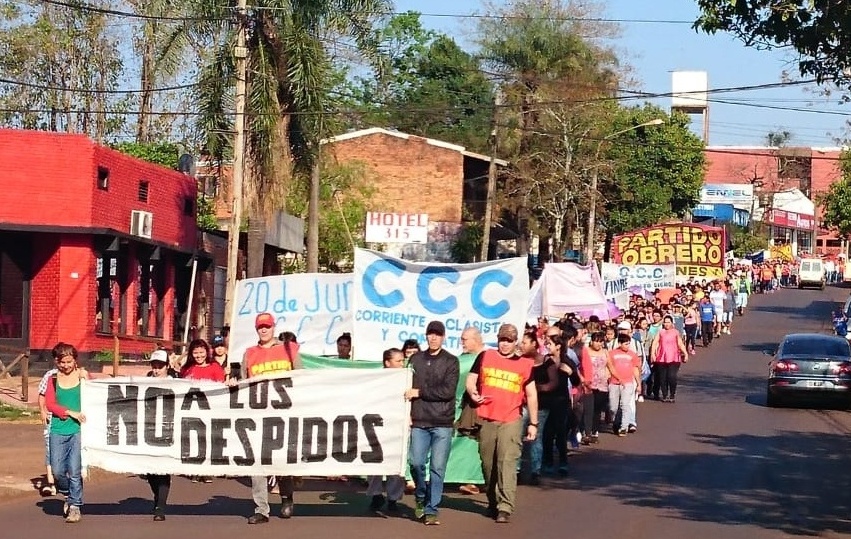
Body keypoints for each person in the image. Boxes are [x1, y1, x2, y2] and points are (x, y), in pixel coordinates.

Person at [466, 324, 537, 524]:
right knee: (488, 464)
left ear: (515, 342)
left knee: (507, 462)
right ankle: (493, 500)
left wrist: (533, 423)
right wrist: (473, 393)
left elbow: (531, 395)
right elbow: (471, 380)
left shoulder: (525, 364)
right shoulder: (485, 356)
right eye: (502, 340)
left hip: (511, 419)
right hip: (487, 417)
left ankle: (505, 506)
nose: (505, 344)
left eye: (509, 341)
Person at [241, 312, 303, 524]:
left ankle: (287, 497)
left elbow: (303, 379)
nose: (264, 330)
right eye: (260, 327)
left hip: (284, 416)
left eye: (267, 326)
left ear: (273, 327)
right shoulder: (249, 353)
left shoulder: (289, 349)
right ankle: (261, 509)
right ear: (256, 330)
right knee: (257, 464)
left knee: (282, 462)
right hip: (258, 416)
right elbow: (243, 385)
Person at [404, 320, 459, 526]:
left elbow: (448, 392)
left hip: (442, 422)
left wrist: (419, 392)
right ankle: (420, 495)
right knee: (416, 462)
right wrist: (407, 412)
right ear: (426, 336)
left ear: (443, 337)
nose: (433, 337)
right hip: (419, 421)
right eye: (430, 334)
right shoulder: (416, 359)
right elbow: (405, 386)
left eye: (437, 334)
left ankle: (431, 509)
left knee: (437, 468)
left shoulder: (451, 361)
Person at [43, 342, 88, 523]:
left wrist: (87, 378)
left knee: (74, 470)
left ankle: (75, 506)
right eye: (62, 362)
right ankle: (69, 494)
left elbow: (94, 395)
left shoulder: (83, 376)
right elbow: (50, 404)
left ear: (75, 360)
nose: (66, 365)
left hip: (78, 430)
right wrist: (70, 412)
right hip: (58, 429)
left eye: (69, 361)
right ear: (56, 361)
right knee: (57, 470)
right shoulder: (53, 379)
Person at [367, 348, 407, 514]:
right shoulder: (376, 379)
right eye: (398, 361)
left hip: (398, 424)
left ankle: (393, 499)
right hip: (377, 424)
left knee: (396, 461)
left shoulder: (407, 378)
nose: (402, 364)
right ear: (387, 363)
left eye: (403, 361)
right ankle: (376, 494)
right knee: (373, 460)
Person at [145, 350, 174, 521]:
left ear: (167, 366)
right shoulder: (145, 382)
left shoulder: (176, 383)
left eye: (160, 366)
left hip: (168, 430)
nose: (156, 370)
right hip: (149, 430)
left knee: (163, 469)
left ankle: (160, 507)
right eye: (154, 366)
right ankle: (158, 496)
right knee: (150, 470)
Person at [607, 334, 641, 436]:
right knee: (613, 407)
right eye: (626, 344)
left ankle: (624, 427)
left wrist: (638, 383)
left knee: (625, 405)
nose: (628, 346)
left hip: (627, 383)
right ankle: (616, 422)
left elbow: (635, 369)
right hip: (614, 382)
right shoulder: (612, 354)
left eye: (629, 344)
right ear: (620, 343)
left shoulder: (632, 355)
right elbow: (608, 367)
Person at [650, 315, 689, 403]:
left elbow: (680, 343)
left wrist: (685, 353)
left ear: (672, 323)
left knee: (671, 376)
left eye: (668, 322)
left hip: (674, 358)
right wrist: (653, 354)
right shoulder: (661, 332)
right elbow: (655, 343)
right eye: (665, 322)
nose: (667, 324)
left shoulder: (675, 332)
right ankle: (665, 395)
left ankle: (672, 394)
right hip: (662, 358)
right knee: (662, 378)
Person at [37, 364, 59, 496]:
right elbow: (42, 394)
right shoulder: (50, 375)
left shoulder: (78, 375)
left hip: (71, 419)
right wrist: (42, 411)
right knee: (50, 448)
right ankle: (51, 483)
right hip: (51, 417)